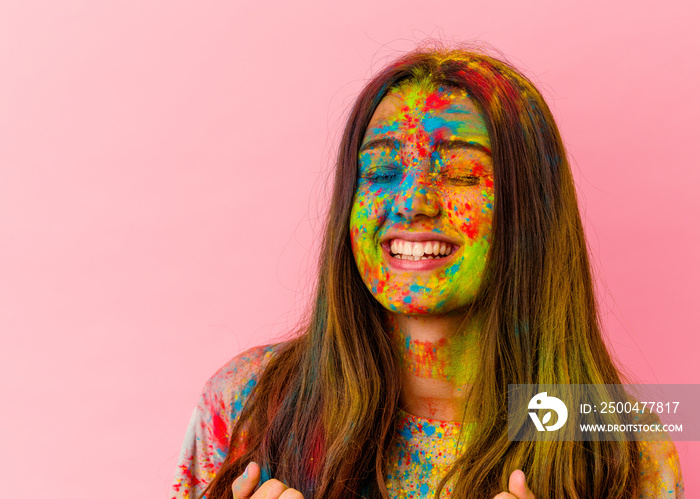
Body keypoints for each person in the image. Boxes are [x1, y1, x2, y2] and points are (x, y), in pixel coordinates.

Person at [170, 46, 685, 499]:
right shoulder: (244, 403)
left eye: (460, 173)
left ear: (531, 210)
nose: (412, 201)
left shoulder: (622, 446)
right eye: (381, 171)